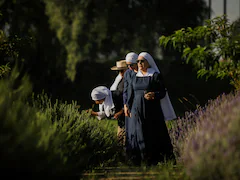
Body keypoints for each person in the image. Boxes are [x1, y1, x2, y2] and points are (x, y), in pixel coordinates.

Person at [126, 52, 176, 166]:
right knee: (139, 133)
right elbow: (131, 92)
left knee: (153, 133)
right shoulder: (135, 77)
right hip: (137, 109)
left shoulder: (155, 75)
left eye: (142, 61)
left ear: (148, 62)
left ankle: (156, 159)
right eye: (138, 61)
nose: (139, 63)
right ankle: (142, 160)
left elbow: (163, 92)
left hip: (152, 110)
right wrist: (128, 106)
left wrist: (154, 94)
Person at [122, 52, 138, 159]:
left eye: (131, 65)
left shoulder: (140, 72)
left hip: (138, 103)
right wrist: (125, 105)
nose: (129, 67)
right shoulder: (128, 73)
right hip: (129, 104)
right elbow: (126, 90)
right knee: (130, 129)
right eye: (128, 65)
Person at [110, 60, 127, 144]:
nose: (120, 73)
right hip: (121, 116)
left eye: (121, 70)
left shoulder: (127, 81)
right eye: (118, 71)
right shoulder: (119, 80)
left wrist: (121, 111)